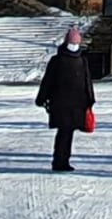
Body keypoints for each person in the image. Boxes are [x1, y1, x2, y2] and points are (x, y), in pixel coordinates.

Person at [35, 25, 96, 173]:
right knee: (64, 131)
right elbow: (48, 81)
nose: (74, 46)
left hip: (77, 103)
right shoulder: (57, 60)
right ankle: (59, 161)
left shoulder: (82, 60)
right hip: (61, 103)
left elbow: (87, 81)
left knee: (68, 132)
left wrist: (90, 100)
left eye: (76, 43)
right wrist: (42, 98)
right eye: (72, 43)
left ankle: (63, 160)